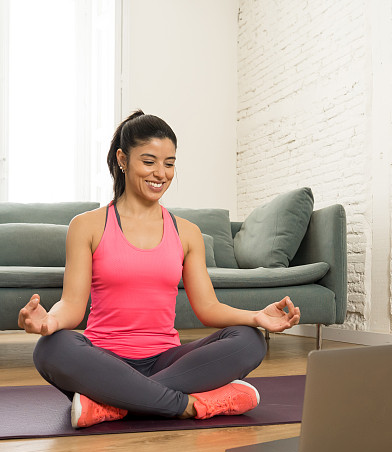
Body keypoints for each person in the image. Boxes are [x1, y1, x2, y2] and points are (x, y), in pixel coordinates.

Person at [19, 110, 301, 428]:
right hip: (104, 361)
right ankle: (189, 405)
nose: (161, 174)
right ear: (122, 159)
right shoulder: (87, 226)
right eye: (149, 161)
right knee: (51, 349)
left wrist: (255, 317)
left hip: (168, 360)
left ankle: (114, 402)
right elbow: (72, 306)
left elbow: (208, 308)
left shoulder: (187, 232)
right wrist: (51, 321)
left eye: (169, 163)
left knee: (250, 340)